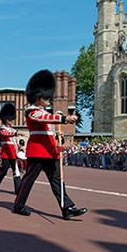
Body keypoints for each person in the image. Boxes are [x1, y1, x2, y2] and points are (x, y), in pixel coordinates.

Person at [13, 69, 88, 220]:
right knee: (29, 179)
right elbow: (44, 118)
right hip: (38, 150)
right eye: (46, 96)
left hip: (49, 150)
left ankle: (67, 208)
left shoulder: (47, 112)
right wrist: (64, 119)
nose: (49, 99)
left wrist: (58, 140)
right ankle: (18, 205)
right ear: (38, 96)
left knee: (57, 180)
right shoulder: (31, 111)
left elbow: (51, 129)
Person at [0, 103, 23, 194]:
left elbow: (14, 141)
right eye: (10, 119)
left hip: (13, 152)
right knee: (3, 171)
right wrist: (16, 133)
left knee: (16, 171)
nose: (12, 121)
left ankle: (18, 189)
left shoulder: (12, 129)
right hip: (6, 153)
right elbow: (6, 134)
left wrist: (18, 146)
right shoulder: (2, 129)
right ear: (6, 119)